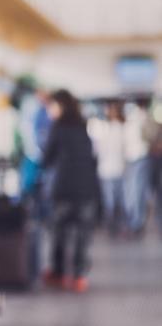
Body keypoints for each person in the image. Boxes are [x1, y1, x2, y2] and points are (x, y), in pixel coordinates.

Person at [42, 89, 101, 293]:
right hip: (85, 187)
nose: (50, 109)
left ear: (61, 105)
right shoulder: (83, 126)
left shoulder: (57, 127)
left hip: (64, 187)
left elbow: (47, 158)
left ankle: (58, 272)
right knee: (82, 234)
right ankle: (78, 276)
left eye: (52, 105)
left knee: (59, 231)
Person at [88, 101, 127, 236]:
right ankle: (115, 224)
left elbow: (96, 150)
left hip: (109, 169)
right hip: (114, 169)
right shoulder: (112, 129)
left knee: (111, 199)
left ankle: (113, 225)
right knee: (115, 199)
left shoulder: (109, 129)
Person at [123, 101, 152, 236]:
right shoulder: (133, 120)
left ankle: (136, 222)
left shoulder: (142, 119)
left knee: (137, 191)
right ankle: (135, 221)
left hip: (139, 157)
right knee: (134, 191)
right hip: (134, 158)